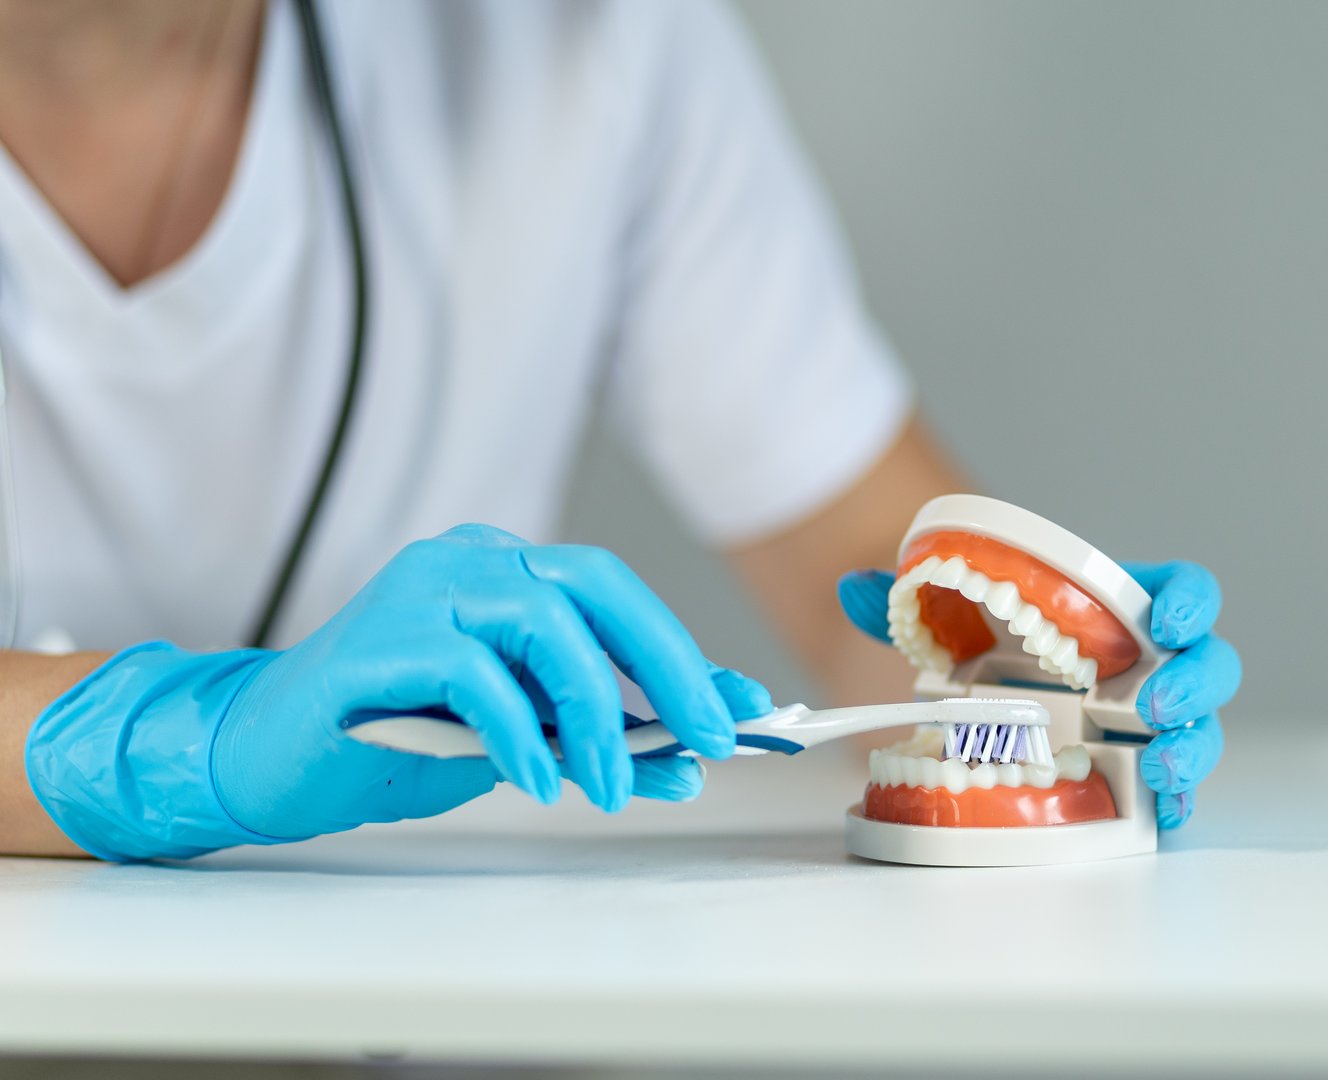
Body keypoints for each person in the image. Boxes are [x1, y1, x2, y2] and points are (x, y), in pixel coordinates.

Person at [0, 0, 1240, 862]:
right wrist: (177, 746)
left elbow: (861, 571)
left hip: (411, 1011)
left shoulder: (589, 46)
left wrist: (1056, 683)